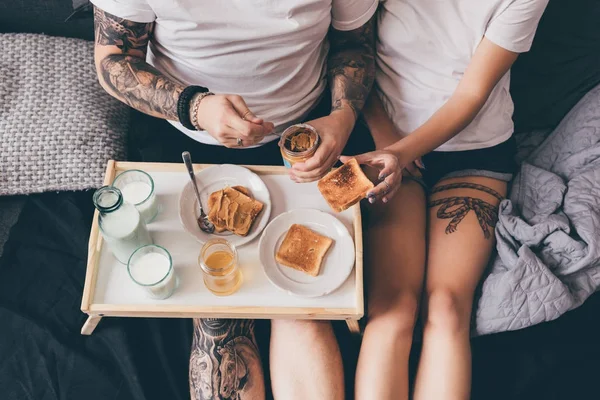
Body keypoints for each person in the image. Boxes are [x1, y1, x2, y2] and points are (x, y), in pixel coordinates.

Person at [90, 0, 378, 399]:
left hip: (306, 135)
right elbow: (113, 59)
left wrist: (342, 117)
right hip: (185, 132)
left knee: (301, 311)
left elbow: (355, 44)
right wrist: (194, 107)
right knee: (218, 310)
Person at [346, 0, 549, 399]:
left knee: (447, 309)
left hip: (476, 153)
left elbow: (472, 93)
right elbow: (351, 51)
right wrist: (388, 140)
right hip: (384, 141)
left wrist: (402, 154)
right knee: (392, 308)